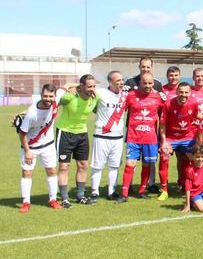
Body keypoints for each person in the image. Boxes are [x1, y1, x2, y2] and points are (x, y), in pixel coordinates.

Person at [118, 73, 163, 203]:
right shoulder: (130, 96)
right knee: (130, 164)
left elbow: (165, 115)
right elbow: (119, 111)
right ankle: (124, 194)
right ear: (139, 83)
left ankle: (142, 191)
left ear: (153, 84)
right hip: (133, 137)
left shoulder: (159, 98)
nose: (147, 85)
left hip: (150, 138)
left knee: (147, 165)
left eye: (150, 83)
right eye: (145, 83)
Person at [55, 73, 98, 206]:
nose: (92, 89)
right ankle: (64, 199)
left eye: (94, 86)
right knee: (64, 166)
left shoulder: (95, 97)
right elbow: (54, 100)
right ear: (82, 86)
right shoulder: (70, 96)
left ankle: (80, 196)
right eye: (89, 87)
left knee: (83, 165)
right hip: (65, 133)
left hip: (82, 134)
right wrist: (70, 86)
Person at [17, 84, 61, 212]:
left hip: (48, 145)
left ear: (55, 96)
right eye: (45, 96)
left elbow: (66, 86)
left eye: (51, 96)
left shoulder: (56, 100)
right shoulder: (32, 113)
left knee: (52, 171)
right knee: (27, 172)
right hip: (30, 147)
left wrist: (79, 86)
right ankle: (26, 203)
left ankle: (53, 200)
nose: (48, 99)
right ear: (41, 95)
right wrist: (27, 151)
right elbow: (22, 133)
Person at [158, 82, 200, 200]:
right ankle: (164, 190)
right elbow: (162, 125)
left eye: (186, 92)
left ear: (190, 93)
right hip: (171, 138)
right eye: (181, 92)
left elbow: (198, 118)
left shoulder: (194, 104)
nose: (183, 95)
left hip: (187, 138)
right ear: (176, 92)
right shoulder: (168, 104)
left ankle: (187, 185)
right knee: (164, 157)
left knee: (192, 159)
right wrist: (164, 142)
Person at [90, 71, 127, 201]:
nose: (121, 83)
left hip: (118, 138)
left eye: (122, 80)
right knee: (97, 166)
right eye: (118, 81)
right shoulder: (100, 93)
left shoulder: (125, 95)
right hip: (101, 136)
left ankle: (112, 191)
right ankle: (94, 192)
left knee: (115, 166)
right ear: (110, 82)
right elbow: (90, 105)